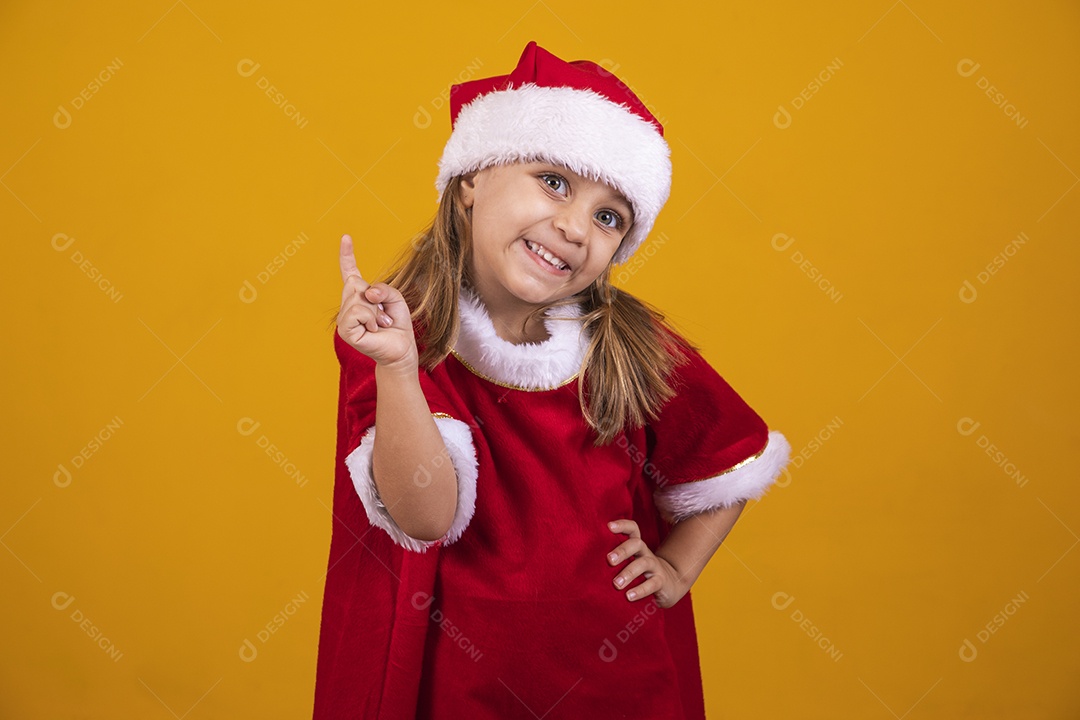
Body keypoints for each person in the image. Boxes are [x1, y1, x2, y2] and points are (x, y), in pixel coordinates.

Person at [313, 41, 791, 720]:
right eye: (555, 180)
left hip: (617, 685)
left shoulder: (631, 346)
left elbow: (731, 456)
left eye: (608, 217)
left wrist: (678, 567)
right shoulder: (399, 336)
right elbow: (425, 515)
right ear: (473, 177)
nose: (573, 228)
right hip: (450, 685)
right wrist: (396, 369)